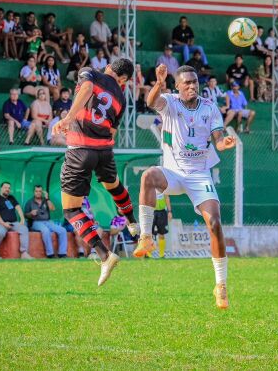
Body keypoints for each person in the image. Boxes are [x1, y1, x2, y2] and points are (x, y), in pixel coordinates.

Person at [132, 63, 237, 309]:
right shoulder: (169, 103)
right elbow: (150, 102)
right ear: (177, 86)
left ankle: (220, 286)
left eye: (194, 82)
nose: (191, 86)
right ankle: (146, 237)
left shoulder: (210, 108)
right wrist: (158, 83)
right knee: (148, 176)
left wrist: (225, 143)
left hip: (200, 175)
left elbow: (218, 140)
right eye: (186, 83)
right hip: (173, 173)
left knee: (215, 223)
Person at [51, 59, 138, 286]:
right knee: (114, 185)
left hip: (80, 149)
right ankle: (132, 221)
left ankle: (105, 255)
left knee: (71, 210)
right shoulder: (121, 97)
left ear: (109, 66)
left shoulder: (90, 72)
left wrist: (69, 118)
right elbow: (111, 131)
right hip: (104, 151)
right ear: (123, 79)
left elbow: (87, 88)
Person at [0, 182, 33, 260]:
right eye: (5, 187)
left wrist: (22, 219)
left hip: (13, 223)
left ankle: (24, 253)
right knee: (0, 232)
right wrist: (3, 223)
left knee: (24, 229)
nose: (7, 189)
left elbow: (18, 208)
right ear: (1, 188)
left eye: (9, 188)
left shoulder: (11, 198)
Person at [24, 185, 68, 258]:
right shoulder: (30, 202)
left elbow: (53, 208)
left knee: (63, 230)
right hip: (36, 222)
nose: (38, 193)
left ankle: (62, 253)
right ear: (33, 192)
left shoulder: (45, 200)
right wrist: (31, 213)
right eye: (36, 191)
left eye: (40, 191)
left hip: (48, 221)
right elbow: (25, 215)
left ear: (42, 192)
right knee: (46, 230)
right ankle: (50, 254)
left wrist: (47, 198)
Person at [152, 192, 171, 259]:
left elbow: (167, 198)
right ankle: (147, 254)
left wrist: (169, 211)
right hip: (151, 212)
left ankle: (162, 254)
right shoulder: (149, 185)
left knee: (161, 234)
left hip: (162, 212)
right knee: (148, 234)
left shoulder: (163, 185)